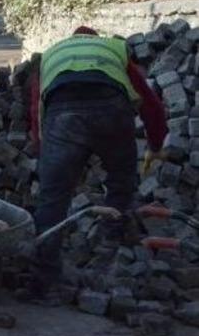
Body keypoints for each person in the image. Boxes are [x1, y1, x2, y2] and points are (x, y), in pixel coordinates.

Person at [26, 25, 167, 299]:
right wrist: (156, 144)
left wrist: (46, 154)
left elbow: (37, 110)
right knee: (121, 182)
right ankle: (114, 255)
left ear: (72, 39)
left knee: (52, 198)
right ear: (95, 38)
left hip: (63, 114)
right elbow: (149, 102)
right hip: (112, 108)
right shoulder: (112, 48)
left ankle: (44, 280)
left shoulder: (51, 56)